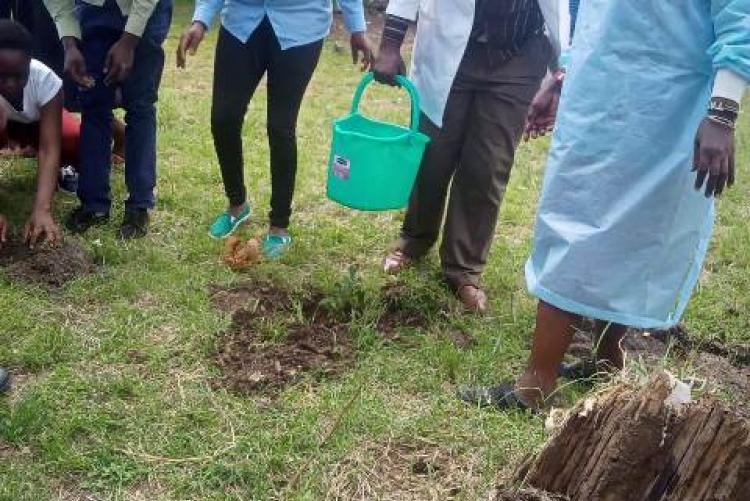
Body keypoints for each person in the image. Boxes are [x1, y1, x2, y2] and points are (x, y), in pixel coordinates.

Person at [459, 0, 749, 410]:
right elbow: (595, 15)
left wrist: (722, 113)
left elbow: (739, 19)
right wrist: (563, 77)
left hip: (662, 107)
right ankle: (606, 361)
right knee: (577, 217)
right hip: (596, 99)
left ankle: (536, 384)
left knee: (613, 230)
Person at [372, 0, 563, 312]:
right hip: (450, 47)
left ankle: (463, 268)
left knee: (488, 165)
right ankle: (414, 241)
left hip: (519, 52)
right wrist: (391, 44)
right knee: (433, 154)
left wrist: (562, 69)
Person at [177, 0, 373, 257]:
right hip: (242, 21)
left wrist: (357, 28)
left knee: (280, 127)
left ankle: (279, 225)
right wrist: (201, 20)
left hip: (301, 26)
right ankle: (237, 205)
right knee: (223, 118)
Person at [43, 0, 173, 239]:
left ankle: (139, 205)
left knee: (140, 104)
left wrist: (129, 41)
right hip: (95, 11)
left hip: (147, 10)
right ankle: (94, 204)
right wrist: (70, 44)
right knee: (93, 104)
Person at [0, 19, 62, 248]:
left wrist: (42, 209)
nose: (10, 85)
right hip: (6, 128)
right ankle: (12, 144)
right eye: (2, 77)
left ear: (29, 65)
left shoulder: (45, 79)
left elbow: (49, 147)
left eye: (19, 76)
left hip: (38, 126)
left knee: (73, 139)